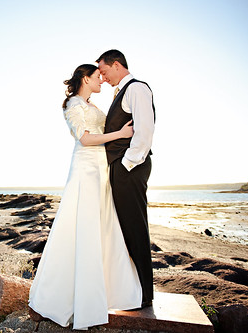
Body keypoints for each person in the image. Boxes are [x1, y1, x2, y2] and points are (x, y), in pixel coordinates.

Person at [28, 64, 142, 330]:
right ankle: (72, 300)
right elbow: (86, 139)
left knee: (103, 228)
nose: (101, 79)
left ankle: (108, 293)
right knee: (84, 228)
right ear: (85, 78)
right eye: (97, 76)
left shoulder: (92, 104)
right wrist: (122, 134)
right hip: (86, 170)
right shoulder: (73, 105)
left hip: (101, 170)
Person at [96, 50, 155, 307]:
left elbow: (144, 131)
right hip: (121, 168)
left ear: (117, 65)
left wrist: (125, 164)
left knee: (135, 227)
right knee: (124, 228)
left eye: (105, 71)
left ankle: (144, 294)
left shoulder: (137, 89)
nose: (103, 76)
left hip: (129, 168)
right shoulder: (121, 91)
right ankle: (133, 289)